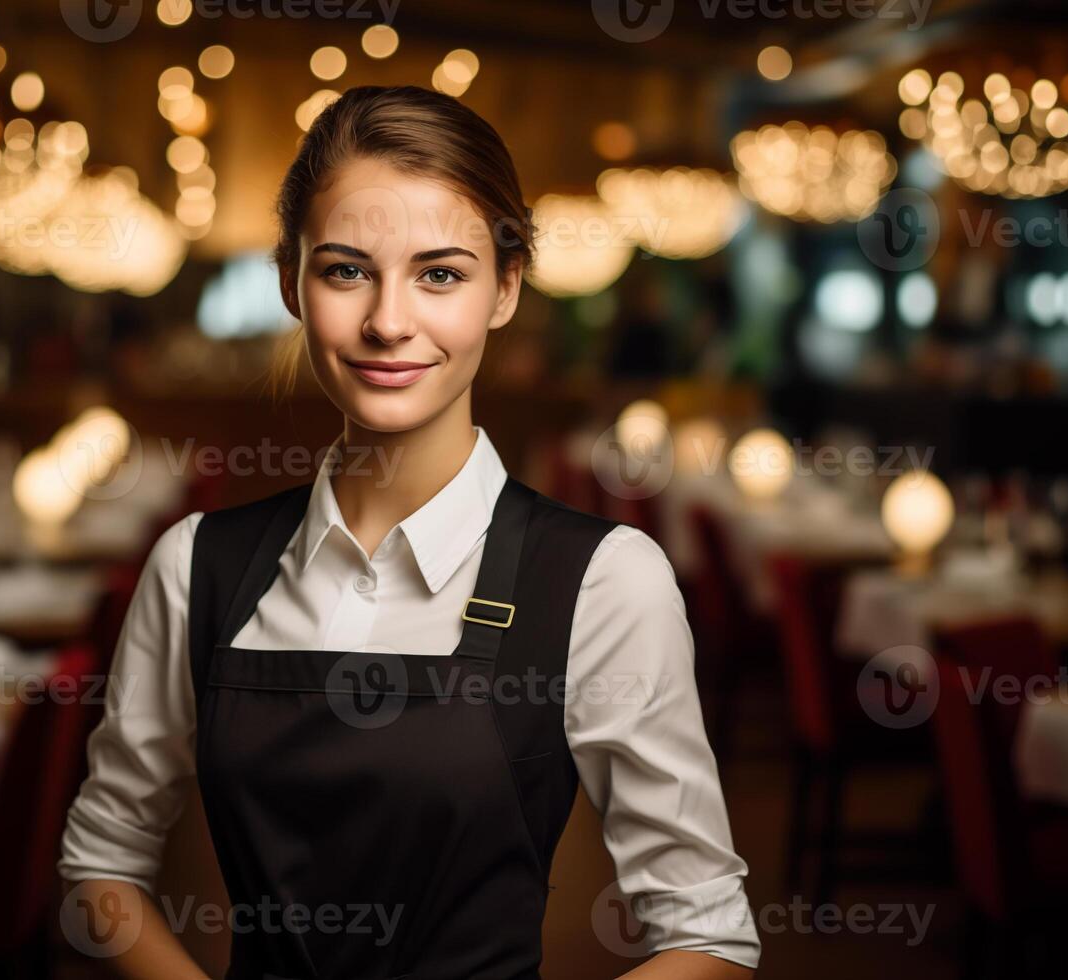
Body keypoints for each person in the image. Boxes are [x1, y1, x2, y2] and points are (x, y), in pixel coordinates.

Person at [58, 84, 759, 980]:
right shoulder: (195, 567)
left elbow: (709, 932)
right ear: (290, 283)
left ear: (505, 288)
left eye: (440, 274)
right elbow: (102, 866)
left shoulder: (602, 580)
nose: (390, 322)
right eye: (346, 270)